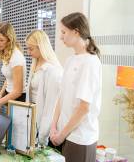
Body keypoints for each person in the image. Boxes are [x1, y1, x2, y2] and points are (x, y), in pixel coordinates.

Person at [50, 12, 102, 162]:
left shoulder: (91, 63)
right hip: (64, 134)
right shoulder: (70, 60)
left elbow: (84, 108)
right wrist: (54, 126)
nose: (61, 36)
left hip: (80, 138)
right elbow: (62, 96)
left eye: (63, 32)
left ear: (76, 31)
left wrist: (61, 135)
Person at [25, 30, 63, 146]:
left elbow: (50, 107)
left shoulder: (53, 71)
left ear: (41, 47)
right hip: (33, 116)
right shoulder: (35, 64)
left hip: (44, 122)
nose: (28, 52)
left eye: (31, 49)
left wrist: (43, 135)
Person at [0, 23, 26, 114]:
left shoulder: (16, 58)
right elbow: (8, 79)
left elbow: (17, 92)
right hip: (9, 94)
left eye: (1, 40)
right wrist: (1, 94)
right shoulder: (6, 54)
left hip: (17, 99)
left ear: (9, 40)